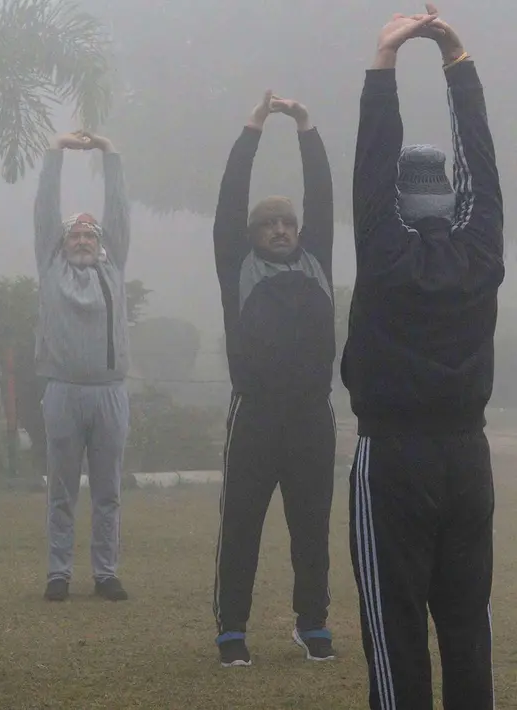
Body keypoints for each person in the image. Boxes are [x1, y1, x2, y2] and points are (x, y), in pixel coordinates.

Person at [343, 5, 501, 708]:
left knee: (395, 627)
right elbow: (484, 170)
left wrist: (383, 64)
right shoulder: (481, 254)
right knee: (466, 626)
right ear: (450, 201)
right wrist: (455, 61)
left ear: (401, 206)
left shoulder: (382, 256)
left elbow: (372, 172)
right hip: (468, 459)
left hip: (395, 461)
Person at [210, 89, 337, 668]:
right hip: (255, 414)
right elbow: (231, 198)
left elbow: (324, 197)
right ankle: (231, 630)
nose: (282, 229)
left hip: (313, 416)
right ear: (253, 233)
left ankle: (312, 624)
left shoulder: (318, 260)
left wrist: (307, 128)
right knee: (241, 526)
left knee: (311, 530)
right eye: (270, 224)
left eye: (288, 222)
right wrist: (254, 127)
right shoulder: (238, 264)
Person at [34, 130, 133, 603]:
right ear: (61, 241)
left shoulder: (113, 269)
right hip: (62, 392)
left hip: (109, 392)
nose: (80, 239)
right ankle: (58, 574)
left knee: (108, 490)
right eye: (73, 233)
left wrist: (109, 153)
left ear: (101, 242)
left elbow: (119, 213)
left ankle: (105, 573)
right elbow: (43, 213)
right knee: (61, 490)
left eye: (88, 234)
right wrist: (55, 152)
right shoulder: (51, 267)